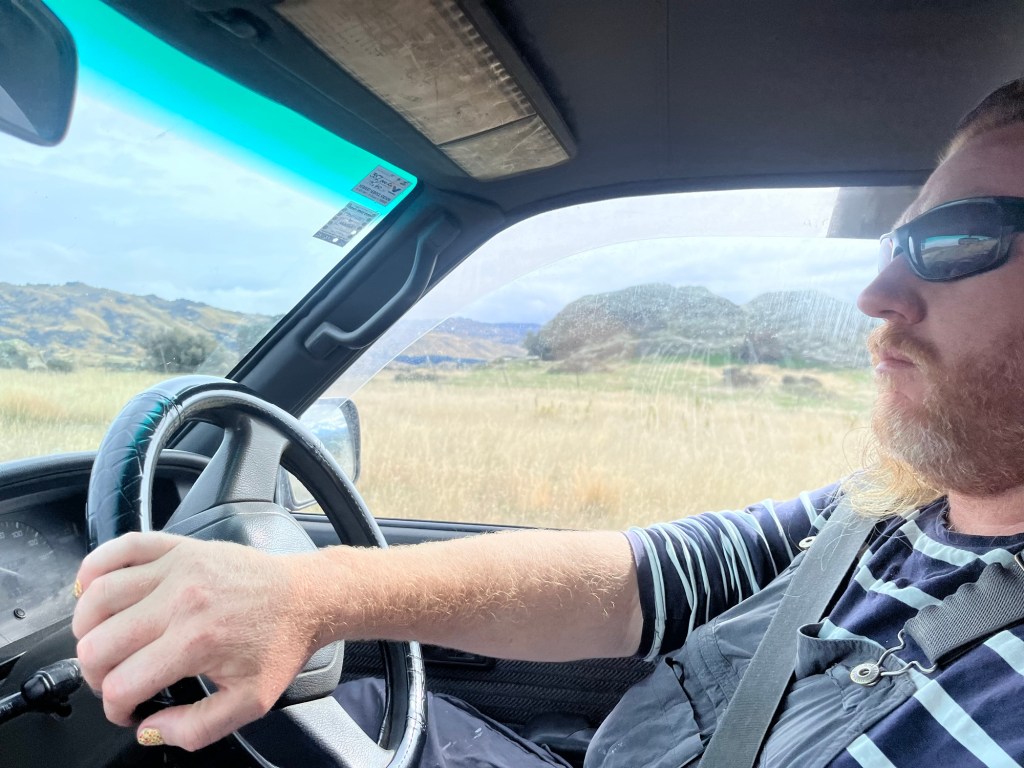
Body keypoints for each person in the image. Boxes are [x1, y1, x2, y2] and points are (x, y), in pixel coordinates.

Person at [72, 77, 1024, 766]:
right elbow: (638, 580)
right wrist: (312, 594)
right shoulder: (883, 510)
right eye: (897, 240)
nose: (876, 294)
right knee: (349, 706)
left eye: (955, 240)